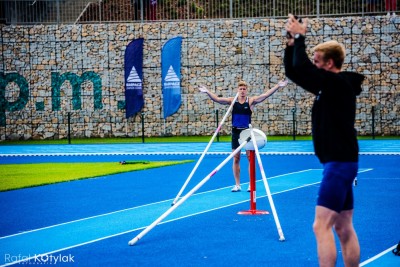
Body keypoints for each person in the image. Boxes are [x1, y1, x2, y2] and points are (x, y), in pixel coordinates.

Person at [284, 14, 365, 267]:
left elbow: (304, 67)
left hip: (339, 163)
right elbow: (296, 71)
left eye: (318, 62)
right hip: (341, 162)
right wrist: (290, 45)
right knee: (343, 227)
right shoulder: (328, 85)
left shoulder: (337, 84)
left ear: (330, 63)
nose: (314, 65)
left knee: (321, 226)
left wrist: (300, 37)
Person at [199, 79, 288, 192]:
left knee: (250, 159)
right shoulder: (232, 101)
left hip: (247, 133)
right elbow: (217, 99)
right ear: (237, 90)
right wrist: (207, 92)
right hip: (236, 133)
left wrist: (277, 86)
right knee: (236, 159)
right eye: (240, 89)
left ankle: (251, 184)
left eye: (244, 89)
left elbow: (265, 95)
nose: (242, 91)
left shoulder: (250, 101)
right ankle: (237, 184)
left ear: (246, 91)